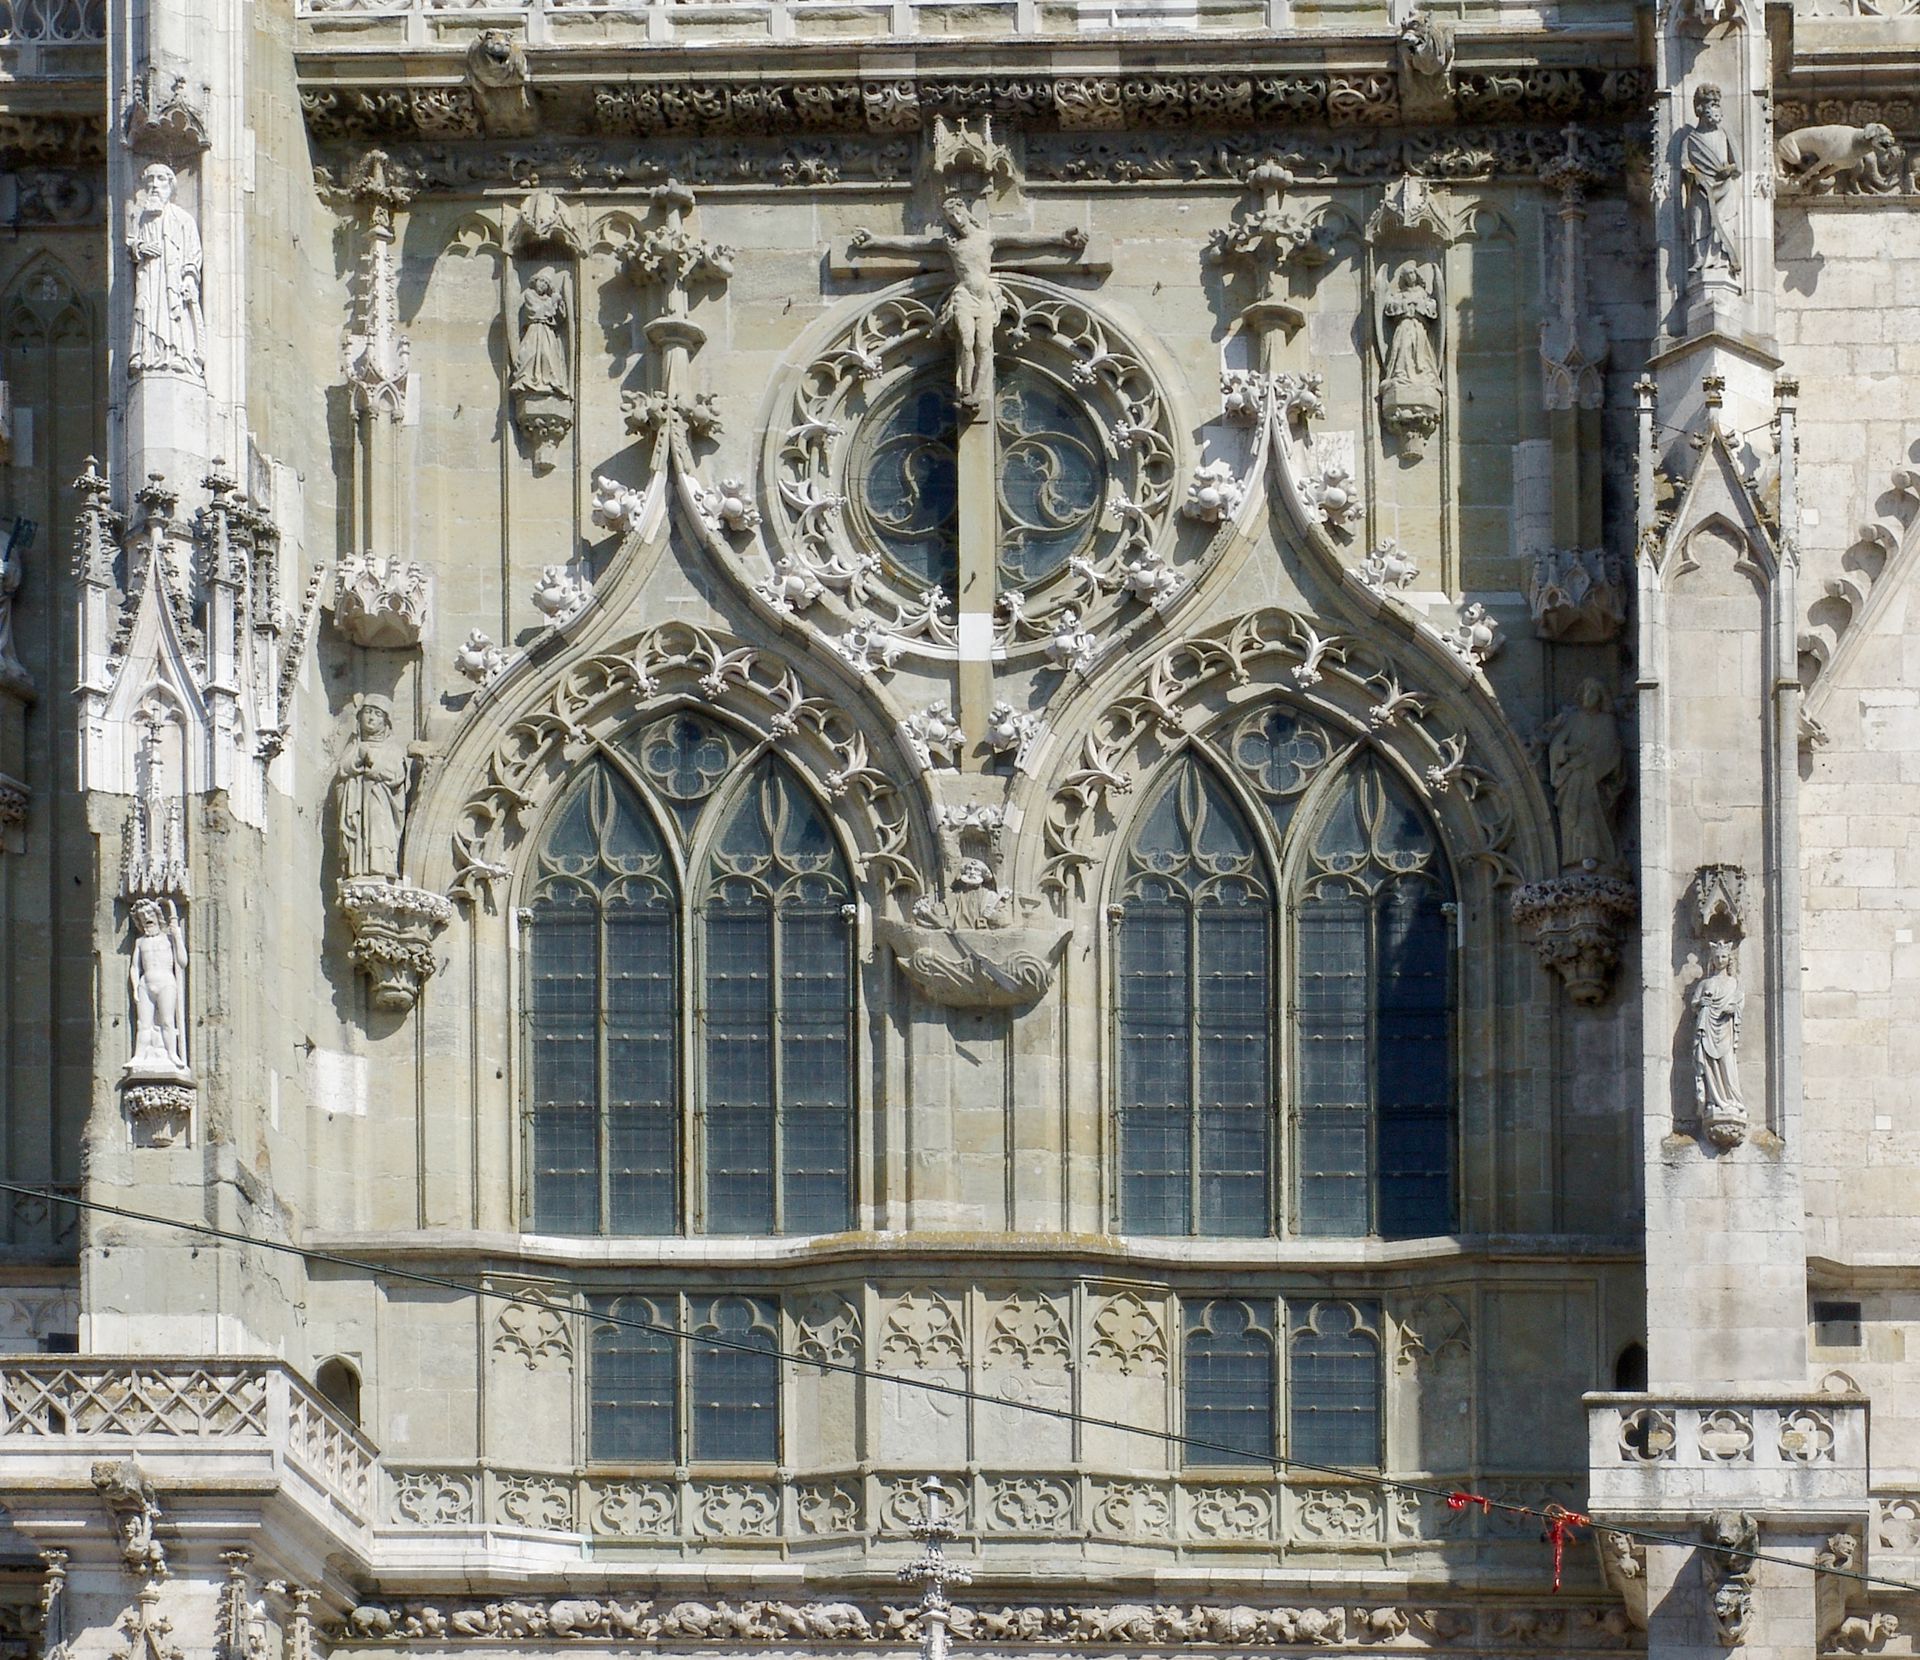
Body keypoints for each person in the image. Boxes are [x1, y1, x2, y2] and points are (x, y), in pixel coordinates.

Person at [125, 163, 206, 378]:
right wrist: (140, 248)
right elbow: (131, 243)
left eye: (160, 179)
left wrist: (189, 276)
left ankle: (177, 354)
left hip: (173, 279)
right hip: (149, 275)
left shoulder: (183, 218)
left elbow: (193, 251)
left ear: (171, 186)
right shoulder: (140, 217)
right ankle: (146, 354)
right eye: (150, 180)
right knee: (144, 308)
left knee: (174, 313)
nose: (154, 185)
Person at [1547, 678, 1624, 871]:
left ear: (1601, 697)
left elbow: (1612, 752)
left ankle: (1596, 857)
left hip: (1594, 781)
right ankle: (1574, 858)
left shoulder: (1606, 721)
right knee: (1574, 820)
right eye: (1585, 692)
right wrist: (1570, 753)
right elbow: (1557, 746)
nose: (1588, 697)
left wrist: (1588, 763)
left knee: (1591, 816)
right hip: (1573, 779)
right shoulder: (1573, 719)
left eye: (1593, 693)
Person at [334, 698, 412, 879]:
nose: (371, 718)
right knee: (359, 833)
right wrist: (358, 758)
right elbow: (343, 768)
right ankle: (357, 869)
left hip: (380, 800)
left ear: (386, 721)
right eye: (367, 712)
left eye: (377, 714)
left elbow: (396, 775)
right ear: (359, 717)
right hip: (357, 801)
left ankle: (381, 867)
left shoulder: (392, 748)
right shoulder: (354, 745)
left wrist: (374, 766)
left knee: (379, 827)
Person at [1681, 83, 1742, 280]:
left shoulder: (1725, 134)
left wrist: (1728, 170)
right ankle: (1700, 261)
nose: (1714, 108)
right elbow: (1684, 164)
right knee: (1699, 222)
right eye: (1709, 104)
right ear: (1700, 109)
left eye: (1717, 104)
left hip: (1724, 188)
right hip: (1701, 188)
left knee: (1723, 223)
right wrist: (1694, 175)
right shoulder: (1690, 139)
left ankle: (1722, 261)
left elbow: (1738, 165)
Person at [128, 898, 189, 1075]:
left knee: (167, 1021)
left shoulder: (168, 938)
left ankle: (172, 1054)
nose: (146, 919)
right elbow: (135, 967)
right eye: (142, 917)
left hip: (166, 983)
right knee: (143, 1023)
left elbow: (182, 962)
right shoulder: (140, 942)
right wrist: (134, 988)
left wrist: (177, 936)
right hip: (145, 984)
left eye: (149, 915)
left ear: (157, 916)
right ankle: (139, 1056)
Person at [1691, 940, 1745, 1118]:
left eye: (1723, 956)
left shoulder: (1733, 983)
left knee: (1727, 1063)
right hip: (1707, 1026)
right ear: (1712, 960)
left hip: (1725, 1028)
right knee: (1709, 1064)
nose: (1720, 960)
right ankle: (1714, 1100)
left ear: (1729, 959)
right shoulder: (1704, 984)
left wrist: (1733, 1009)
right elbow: (1694, 1004)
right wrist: (1701, 1003)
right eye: (1717, 957)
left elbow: (1739, 1003)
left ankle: (1732, 1099)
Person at [510, 268, 570, 399]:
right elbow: (536, 311)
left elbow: (560, 318)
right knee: (530, 354)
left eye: (546, 283)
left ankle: (549, 383)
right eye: (541, 281)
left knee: (548, 355)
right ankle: (527, 381)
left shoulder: (549, 298)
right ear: (535, 281)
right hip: (534, 328)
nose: (542, 285)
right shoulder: (529, 294)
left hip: (547, 331)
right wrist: (553, 301)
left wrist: (560, 303)